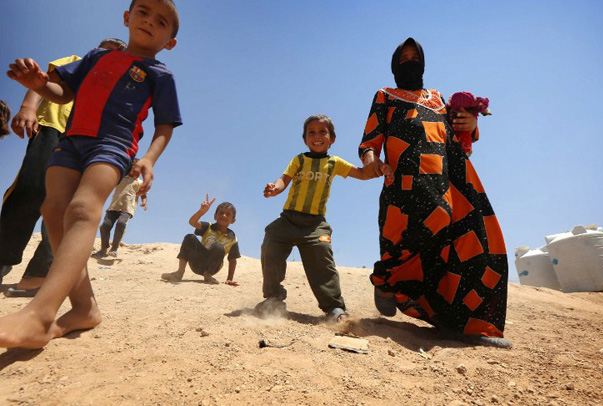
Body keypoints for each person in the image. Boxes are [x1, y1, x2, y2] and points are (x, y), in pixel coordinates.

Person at [0, 0, 182, 349]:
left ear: (170, 41)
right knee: (53, 210)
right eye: (143, 12)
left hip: (113, 146)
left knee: (82, 210)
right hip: (70, 141)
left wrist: (150, 158)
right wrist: (38, 84)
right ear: (127, 17)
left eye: (161, 22)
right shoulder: (95, 57)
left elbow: (164, 125)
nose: (149, 22)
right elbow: (63, 91)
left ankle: (40, 314)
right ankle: (84, 307)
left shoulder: (160, 75)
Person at [359, 38, 511, 347]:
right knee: (432, 221)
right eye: (404, 58)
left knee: (469, 243)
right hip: (404, 183)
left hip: (448, 180)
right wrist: (372, 161)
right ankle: (385, 279)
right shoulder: (384, 95)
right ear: (394, 64)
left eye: (415, 58)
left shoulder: (439, 98)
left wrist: (471, 122)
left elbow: (460, 132)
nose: (410, 62)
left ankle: (458, 325)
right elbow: (370, 140)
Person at [0, 38, 126, 296]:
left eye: (116, 54)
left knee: (67, 208)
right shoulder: (76, 62)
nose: (107, 55)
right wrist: (28, 106)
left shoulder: (118, 82)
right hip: (53, 128)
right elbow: (42, 80)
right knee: (29, 189)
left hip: (86, 144)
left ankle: (37, 275)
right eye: (104, 49)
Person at [257, 114, 392, 323]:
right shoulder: (299, 160)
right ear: (305, 139)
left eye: (322, 132)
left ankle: (335, 308)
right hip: (288, 220)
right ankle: (273, 299)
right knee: (270, 244)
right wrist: (275, 188)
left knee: (322, 257)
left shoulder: (334, 163)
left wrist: (379, 169)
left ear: (332, 139)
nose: (317, 136)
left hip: (315, 225)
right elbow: (284, 179)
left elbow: (362, 174)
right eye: (311, 132)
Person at [161, 196, 240, 286]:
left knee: (218, 246)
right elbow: (192, 222)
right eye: (221, 213)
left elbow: (232, 260)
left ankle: (208, 275)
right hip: (197, 263)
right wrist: (201, 212)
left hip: (213, 267)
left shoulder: (232, 239)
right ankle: (179, 273)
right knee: (189, 237)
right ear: (215, 216)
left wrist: (229, 279)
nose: (224, 216)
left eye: (228, 214)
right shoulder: (208, 227)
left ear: (233, 220)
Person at [92, 161, 148, 259]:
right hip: (114, 206)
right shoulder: (120, 177)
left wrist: (144, 202)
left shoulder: (139, 182)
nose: (136, 170)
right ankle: (103, 249)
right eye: (134, 167)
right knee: (105, 226)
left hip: (127, 208)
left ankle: (114, 249)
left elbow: (143, 194)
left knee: (121, 224)